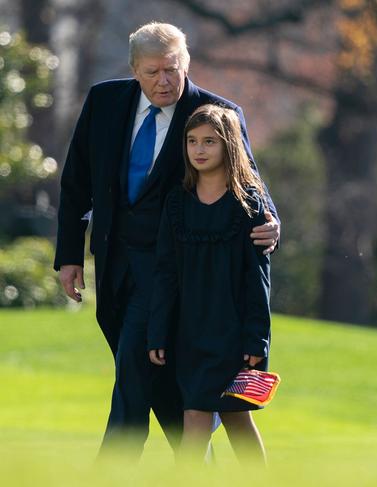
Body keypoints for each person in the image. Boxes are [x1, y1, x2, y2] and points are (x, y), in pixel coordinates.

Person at [54, 22, 279, 457]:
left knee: (134, 375)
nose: (164, 80)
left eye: (172, 69)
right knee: (154, 379)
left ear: (186, 64)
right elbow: (76, 182)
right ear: (135, 69)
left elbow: (251, 185)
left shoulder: (214, 113)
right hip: (115, 267)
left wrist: (272, 224)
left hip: (174, 275)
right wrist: (69, 255)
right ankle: (197, 468)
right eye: (153, 71)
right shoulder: (104, 102)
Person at [148, 104, 271, 465]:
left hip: (234, 336)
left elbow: (257, 280)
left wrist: (256, 339)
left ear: (229, 146)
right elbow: (165, 273)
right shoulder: (176, 203)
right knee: (195, 417)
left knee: (236, 417)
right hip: (189, 334)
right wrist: (158, 332)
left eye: (209, 142)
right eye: (191, 141)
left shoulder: (248, 206)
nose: (199, 150)